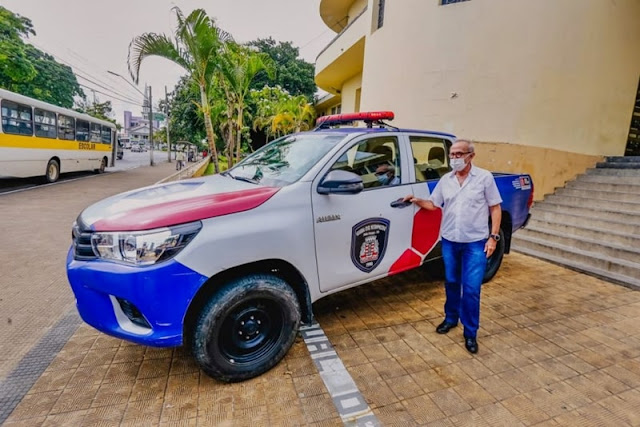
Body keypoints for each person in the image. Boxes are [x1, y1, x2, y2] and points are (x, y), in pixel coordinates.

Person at [404, 139, 502, 354]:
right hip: (449, 241)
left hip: (475, 243)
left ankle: (470, 333)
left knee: (471, 288)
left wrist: (493, 237)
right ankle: (450, 319)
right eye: (452, 154)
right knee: (451, 282)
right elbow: (433, 204)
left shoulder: (484, 178)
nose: (455, 158)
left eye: (459, 154)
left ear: (471, 156)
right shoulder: (445, 180)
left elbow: (495, 208)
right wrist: (416, 200)